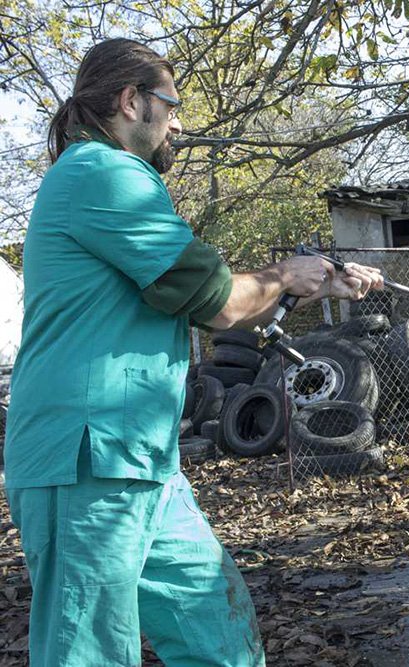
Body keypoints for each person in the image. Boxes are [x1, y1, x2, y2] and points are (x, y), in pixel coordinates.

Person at [2, 38, 384, 666]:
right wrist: (286, 275)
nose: (179, 123)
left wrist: (316, 284)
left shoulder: (108, 181)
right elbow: (216, 301)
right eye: (172, 105)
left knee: (216, 627)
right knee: (88, 652)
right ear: (132, 101)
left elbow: (207, 298)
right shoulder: (103, 173)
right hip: (86, 460)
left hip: (141, 456)